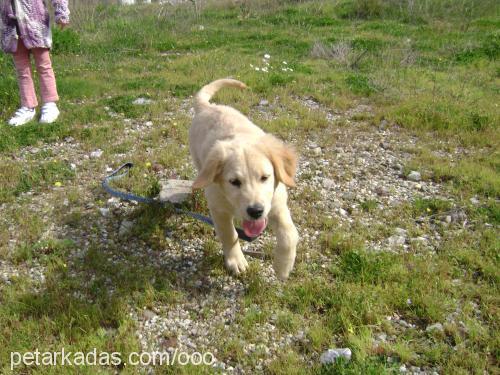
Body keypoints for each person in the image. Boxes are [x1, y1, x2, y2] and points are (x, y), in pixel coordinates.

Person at [1, 0, 70, 126]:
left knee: (44, 65)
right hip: (11, 27)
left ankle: (50, 104)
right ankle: (28, 106)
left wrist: (61, 12)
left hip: (35, 22)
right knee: (22, 71)